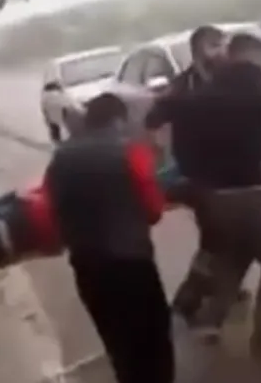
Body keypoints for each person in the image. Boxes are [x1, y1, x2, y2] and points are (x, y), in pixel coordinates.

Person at [159, 32, 261, 355]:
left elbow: (183, 150)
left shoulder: (198, 96)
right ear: (255, 56)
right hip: (256, 192)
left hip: (215, 198)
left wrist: (203, 182)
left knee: (233, 257)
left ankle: (209, 321)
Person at [44, 93, 174, 383]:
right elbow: (154, 210)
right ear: (118, 120)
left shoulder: (61, 157)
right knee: (153, 336)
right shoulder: (130, 152)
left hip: (86, 264)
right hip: (132, 262)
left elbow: (51, 210)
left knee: (117, 338)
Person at [145, 25, 251, 325]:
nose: (223, 51)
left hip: (232, 170)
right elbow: (153, 119)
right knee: (216, 238)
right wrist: (160, 151)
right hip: (199, 174)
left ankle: (221, 287)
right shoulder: (183, 87)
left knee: (226, 236)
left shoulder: (230, 80)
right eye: (215, 46)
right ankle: (188, 301)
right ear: (199, 51)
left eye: (224, 45)